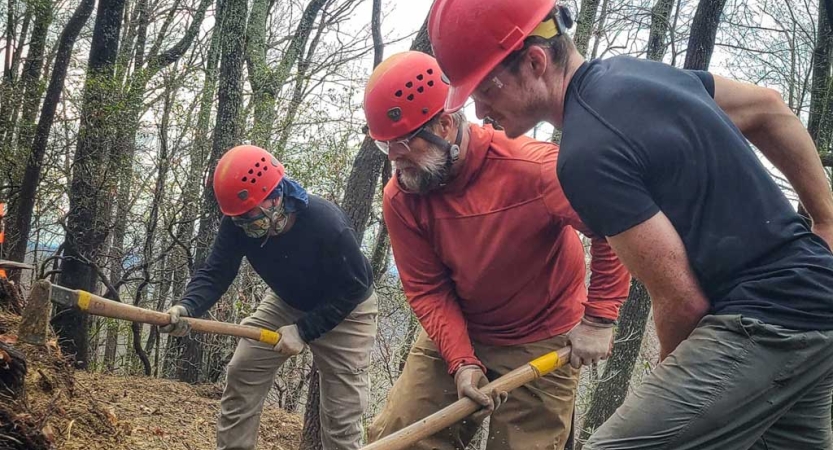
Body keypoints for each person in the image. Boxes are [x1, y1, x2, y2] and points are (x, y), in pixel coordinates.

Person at [427, 1, 833, 448]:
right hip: (815, 300)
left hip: (764, 319)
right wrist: (827, 219)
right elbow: (768, 107)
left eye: (485, 89)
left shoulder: (585, 154)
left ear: (535, 62)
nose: (481, 110)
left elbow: (681, 299)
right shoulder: (642, 75)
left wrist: (671, 377)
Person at [361, 51, 630, 450]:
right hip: (460, 326)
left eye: (402, 144)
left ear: (446, 124)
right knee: (399, 439)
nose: (395, 162)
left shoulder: (534, 169)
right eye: (386, 148)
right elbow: (428, 289)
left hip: (543, 334)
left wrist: (600, 318)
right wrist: (462, 360)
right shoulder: (403, 197)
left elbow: (615, 225)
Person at [160, 144, 377, 450]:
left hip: (347, 309)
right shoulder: (237, 223)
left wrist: (304, 330)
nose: (246, 226)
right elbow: (216, 272)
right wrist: (187, 306)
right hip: (287, 301)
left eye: (252, 217)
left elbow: (354, 287)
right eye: (239, 220)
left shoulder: (326, 223)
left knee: (342, 416)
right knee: (243, 370)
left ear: (276, 196)